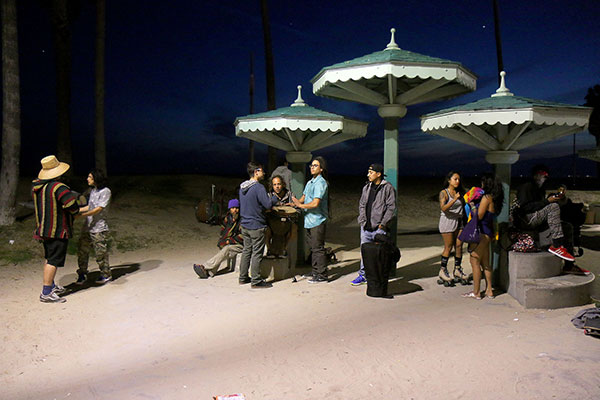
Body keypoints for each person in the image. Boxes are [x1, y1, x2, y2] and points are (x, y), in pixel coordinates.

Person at [513, 165, 584, 274]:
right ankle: (557, 245)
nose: (545, 178)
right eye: (543, 175)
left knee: (567, 226)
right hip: (526, 219)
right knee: (553, 207)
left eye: (546, 176)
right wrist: (547, 201)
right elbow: (525, 207)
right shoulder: (527, 187)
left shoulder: (540, 189)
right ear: (536, 175)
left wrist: (558, 198)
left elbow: (542, 206)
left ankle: (569, 265)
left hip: (537, 217)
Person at [32, 155, 80, 303]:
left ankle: (51, 285)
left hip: (44, 229)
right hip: (58, 230)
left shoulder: (39, 187)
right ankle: (46, 292)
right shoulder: (59, 187)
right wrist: (78, 208)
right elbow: (71, 206)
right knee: (53, 260)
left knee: (49, 258)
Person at [351, 163, 396, 286]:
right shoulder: (366, 187)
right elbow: (361, 205)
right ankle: (363, 275)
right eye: (368, 172)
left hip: (379, 229)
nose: (368, 175)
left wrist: (382, 225)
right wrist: (362, 220)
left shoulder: (387, 188)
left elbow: (391, 208)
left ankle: (378, 277)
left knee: (379, 254)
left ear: (379, 174)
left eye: (371, 172)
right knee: (364, 252)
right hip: (366, 227)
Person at [462, 173, 504, 300]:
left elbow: (479, 216)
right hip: (488, 232)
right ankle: (489, 290)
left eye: (483, 182)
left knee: (474, 261)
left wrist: (472, 205)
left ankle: (476, 292)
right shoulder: (495, 199)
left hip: (480, 232)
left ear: (486, 183)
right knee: (486, 263)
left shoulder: (486, 197)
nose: (481, 184)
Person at [239, 162, 277, 288]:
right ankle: (256, 280)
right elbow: (267, 205)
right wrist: (274, 198)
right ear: (256, 172)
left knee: (246, 251)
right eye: (262, 171)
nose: (264, 173)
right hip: (256, 225)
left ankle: (243, 277)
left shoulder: (243, 187)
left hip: (245, 224)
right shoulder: (259, 187)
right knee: (257, 253)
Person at [292, 156, 329, 283]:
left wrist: (300, 206)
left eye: (315, 165)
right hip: (309, 221)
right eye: (311, 165)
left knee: (318, 248)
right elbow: (303, 198)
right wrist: (294, 202)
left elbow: (315, 203)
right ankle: (315, 271)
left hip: (317, 221)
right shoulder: (310, 182)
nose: (312, 168)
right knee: (313, 248)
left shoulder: (321, 183)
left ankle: (322, 275)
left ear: (321, 168)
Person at [75, 169, 112, 284]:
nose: (87, 179)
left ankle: (105, 274)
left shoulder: (106, 191)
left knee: (100, 252)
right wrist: (75, 211)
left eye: (90, 177)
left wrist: (81, 216)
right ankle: (82, 273)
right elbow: (89, 207)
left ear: (96, 178)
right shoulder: (93, 191)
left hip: (99, 228)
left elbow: (98, 209)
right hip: (88, 226)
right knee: (82, 250)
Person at [193, 199, 243, 278]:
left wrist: (229, 241)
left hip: (240, 244)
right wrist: (223, 239)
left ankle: (205, 267)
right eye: (233, 208)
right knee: (223, 251)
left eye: (236, 208)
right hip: (231, 242)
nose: (235, 210)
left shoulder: (242, 220)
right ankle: (209, 272)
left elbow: (242, 236)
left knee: (227, 249)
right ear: (230, 209)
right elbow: (223, 229)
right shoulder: (228, 218)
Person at [437, 171, 468, 286]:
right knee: (448, 246)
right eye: (455, 179)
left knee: (459, 245)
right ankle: (443, 270)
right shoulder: (443, 193)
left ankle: (457, 269)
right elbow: (443, 208)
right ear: (449, 180)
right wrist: (454, 199)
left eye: (459, 179)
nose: (457, 181)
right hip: (447, 221)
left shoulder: (460, 192)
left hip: (459, 221)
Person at [265, 175, 294, 258]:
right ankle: (269, 250)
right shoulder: (269, 195)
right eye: (274, 185)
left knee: (294, 229)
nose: (277, 187)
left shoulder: (289, 194)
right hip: (272, 221)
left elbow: (297, 210)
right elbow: (264, 210)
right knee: (266, 230)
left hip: (286, 221)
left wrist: (291, 206)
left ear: (283, 184)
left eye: (279, 184)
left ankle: (284, 250)